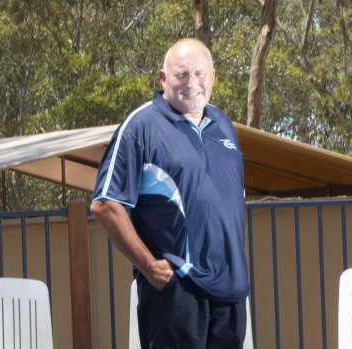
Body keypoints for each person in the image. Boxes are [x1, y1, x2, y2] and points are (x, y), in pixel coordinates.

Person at [90, 38, 249, 348]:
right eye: (181, 74)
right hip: (177, 291)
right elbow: (106, 205)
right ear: (163, 78)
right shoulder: (141, 126)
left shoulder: (224, 125)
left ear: (213, 76)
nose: (192, 83)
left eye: (200, 74)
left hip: (230, 292)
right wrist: (149, 267)